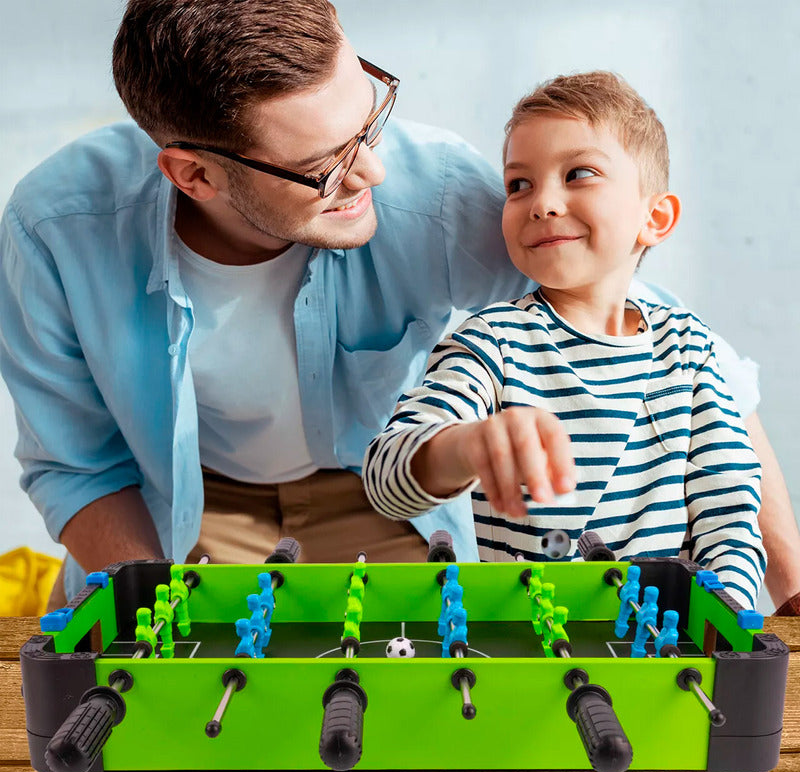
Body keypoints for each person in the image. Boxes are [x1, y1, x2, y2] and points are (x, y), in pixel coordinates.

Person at [0, 2, 796, 611]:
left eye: (369, 121)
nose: (373, 173)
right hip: (185, 504)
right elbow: (79, 467)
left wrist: (790, 585)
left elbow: (680, 355)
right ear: (195, 175)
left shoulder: (437, 192)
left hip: (386, 497)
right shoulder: (55, 233)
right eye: (323, 166)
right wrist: (154, 615)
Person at [363, 72, 766, 609]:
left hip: (664, 644)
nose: (542, 203)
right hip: (524, 637)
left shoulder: (691, 351)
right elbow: (385, 479)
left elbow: (730, 518)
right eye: (518, 185)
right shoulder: (490, 342)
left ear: (654, 217)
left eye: (579, 174)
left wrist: (724, 621)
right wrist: (464, 445)